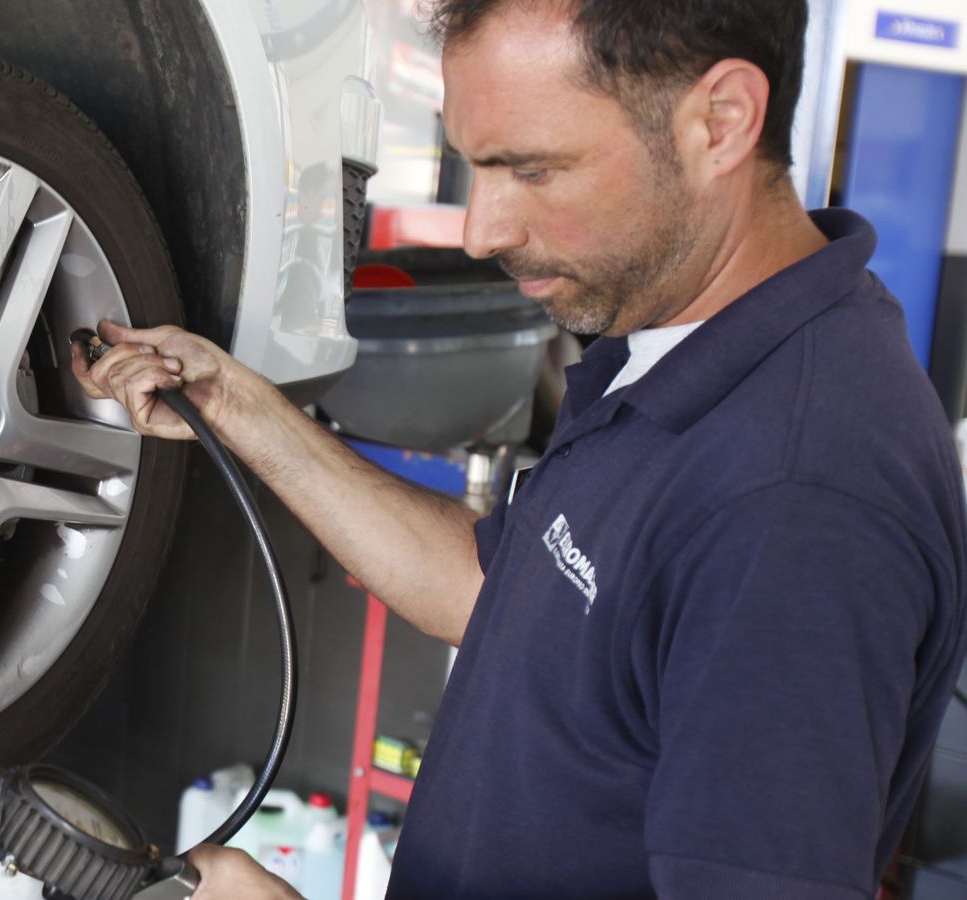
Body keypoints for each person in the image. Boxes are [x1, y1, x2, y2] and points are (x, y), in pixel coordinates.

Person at [72, 0, 967, 897]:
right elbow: (498, 593)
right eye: (476, 167)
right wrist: (239, 407)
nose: (481, 230)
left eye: (531, 169)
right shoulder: (677, 341)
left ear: (720, 120)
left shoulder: (797, 506)